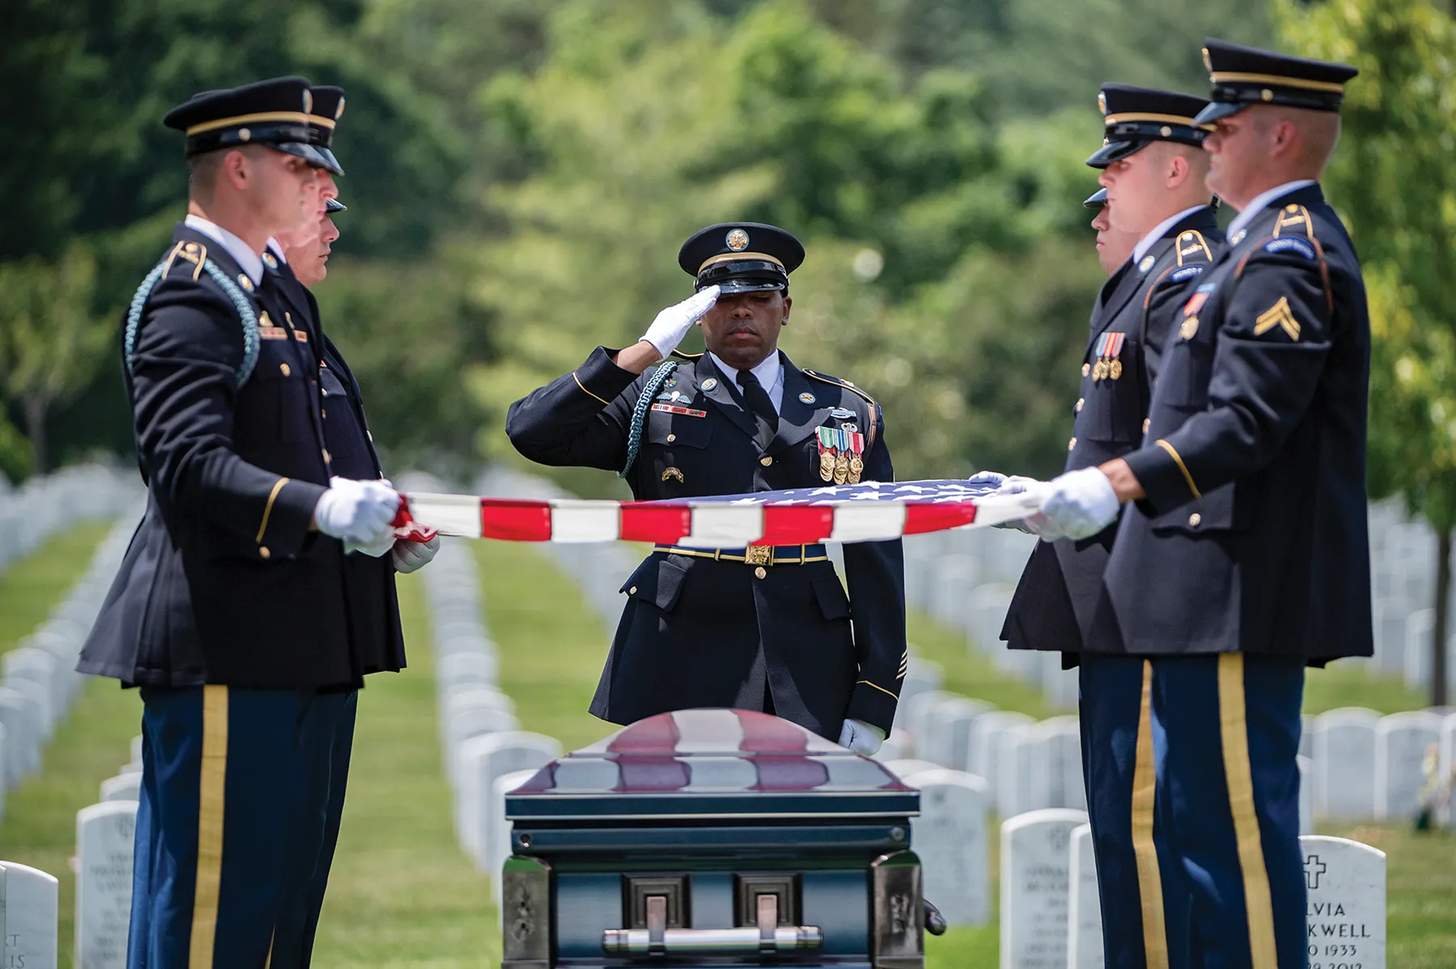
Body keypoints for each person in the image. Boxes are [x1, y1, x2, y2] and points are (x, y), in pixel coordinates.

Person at [1030, 40, 1368, 967]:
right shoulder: (1248, 253)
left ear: (1283, 135)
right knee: (1195, 837)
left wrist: (1112, 482)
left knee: (1233, 852)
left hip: (1232, 587)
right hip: (1199, 591)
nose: (1210, 143)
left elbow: (1246, 423)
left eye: (1224, 128)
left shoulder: (1289, 257)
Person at [78, 77, 407, 969]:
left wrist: (371, 520)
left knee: (275, 922)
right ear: (237, 168)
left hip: (298, 641)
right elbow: (186, 464)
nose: (320, 188)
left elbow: (306, 447)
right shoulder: (195, 294)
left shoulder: (268, 291)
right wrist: (323, 508)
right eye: (300, 167)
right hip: (230, 644)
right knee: (212, 922)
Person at [506, 223, 906, 753]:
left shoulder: (847, 412)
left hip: (804, 664)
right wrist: (644, 351)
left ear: (786, 308)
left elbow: (876, 559)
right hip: (678, 652)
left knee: (794, 832)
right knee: (682, 831)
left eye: (759, 298)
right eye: (724, 301)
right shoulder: (653, 393)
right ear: (698, 313)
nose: (742, 312)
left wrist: (874, 700)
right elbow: (533, 432)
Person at [996, 85, 1224, 969]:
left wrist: (1090, 492)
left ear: (1176, 167)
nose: (1100, 206)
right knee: (1122, 828)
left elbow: (1176, 437)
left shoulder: (1185, 273)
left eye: (1117, 172)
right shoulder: (1141, 281)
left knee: (1139, 824)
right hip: (1113, 594)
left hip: (1145, 592)